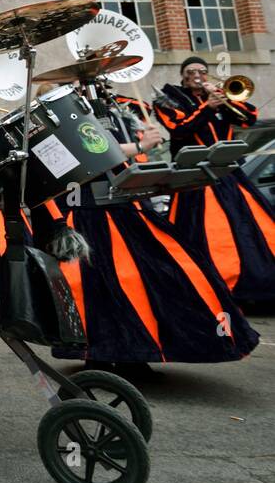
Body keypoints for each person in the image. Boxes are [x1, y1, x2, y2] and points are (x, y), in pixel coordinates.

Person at [31, 86, 259, 369]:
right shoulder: (44, 135)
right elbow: (88, 158)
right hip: (83, 215)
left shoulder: (90, 121)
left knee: (159, 276)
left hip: (120, 209)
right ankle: (101, 355)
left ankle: (139, 351)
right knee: (96, 289)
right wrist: (139, 146)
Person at [154, 56, 275, 305]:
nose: (196, 74)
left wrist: (225, 100)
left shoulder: (221, 96)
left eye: (201, 70)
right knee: (202, 231)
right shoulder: (170, 100)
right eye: (190, 71)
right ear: (182, 76)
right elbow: (179, 129)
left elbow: (248, 118)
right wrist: (207, 107)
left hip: (229, 173)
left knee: (248, 227)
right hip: (194, 177)